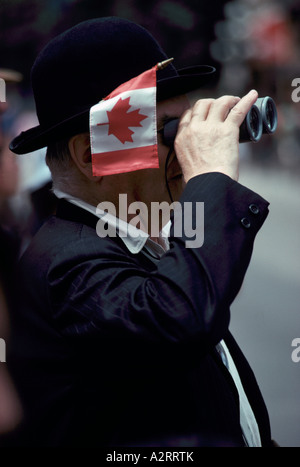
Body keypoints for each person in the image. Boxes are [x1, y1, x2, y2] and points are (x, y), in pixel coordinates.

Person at [7, 17, 274, 447]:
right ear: (93, 156)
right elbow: (178, 322)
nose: (186, 148)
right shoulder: (65, 264)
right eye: (169, 131)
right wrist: (210, 178)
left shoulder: (141, 242)